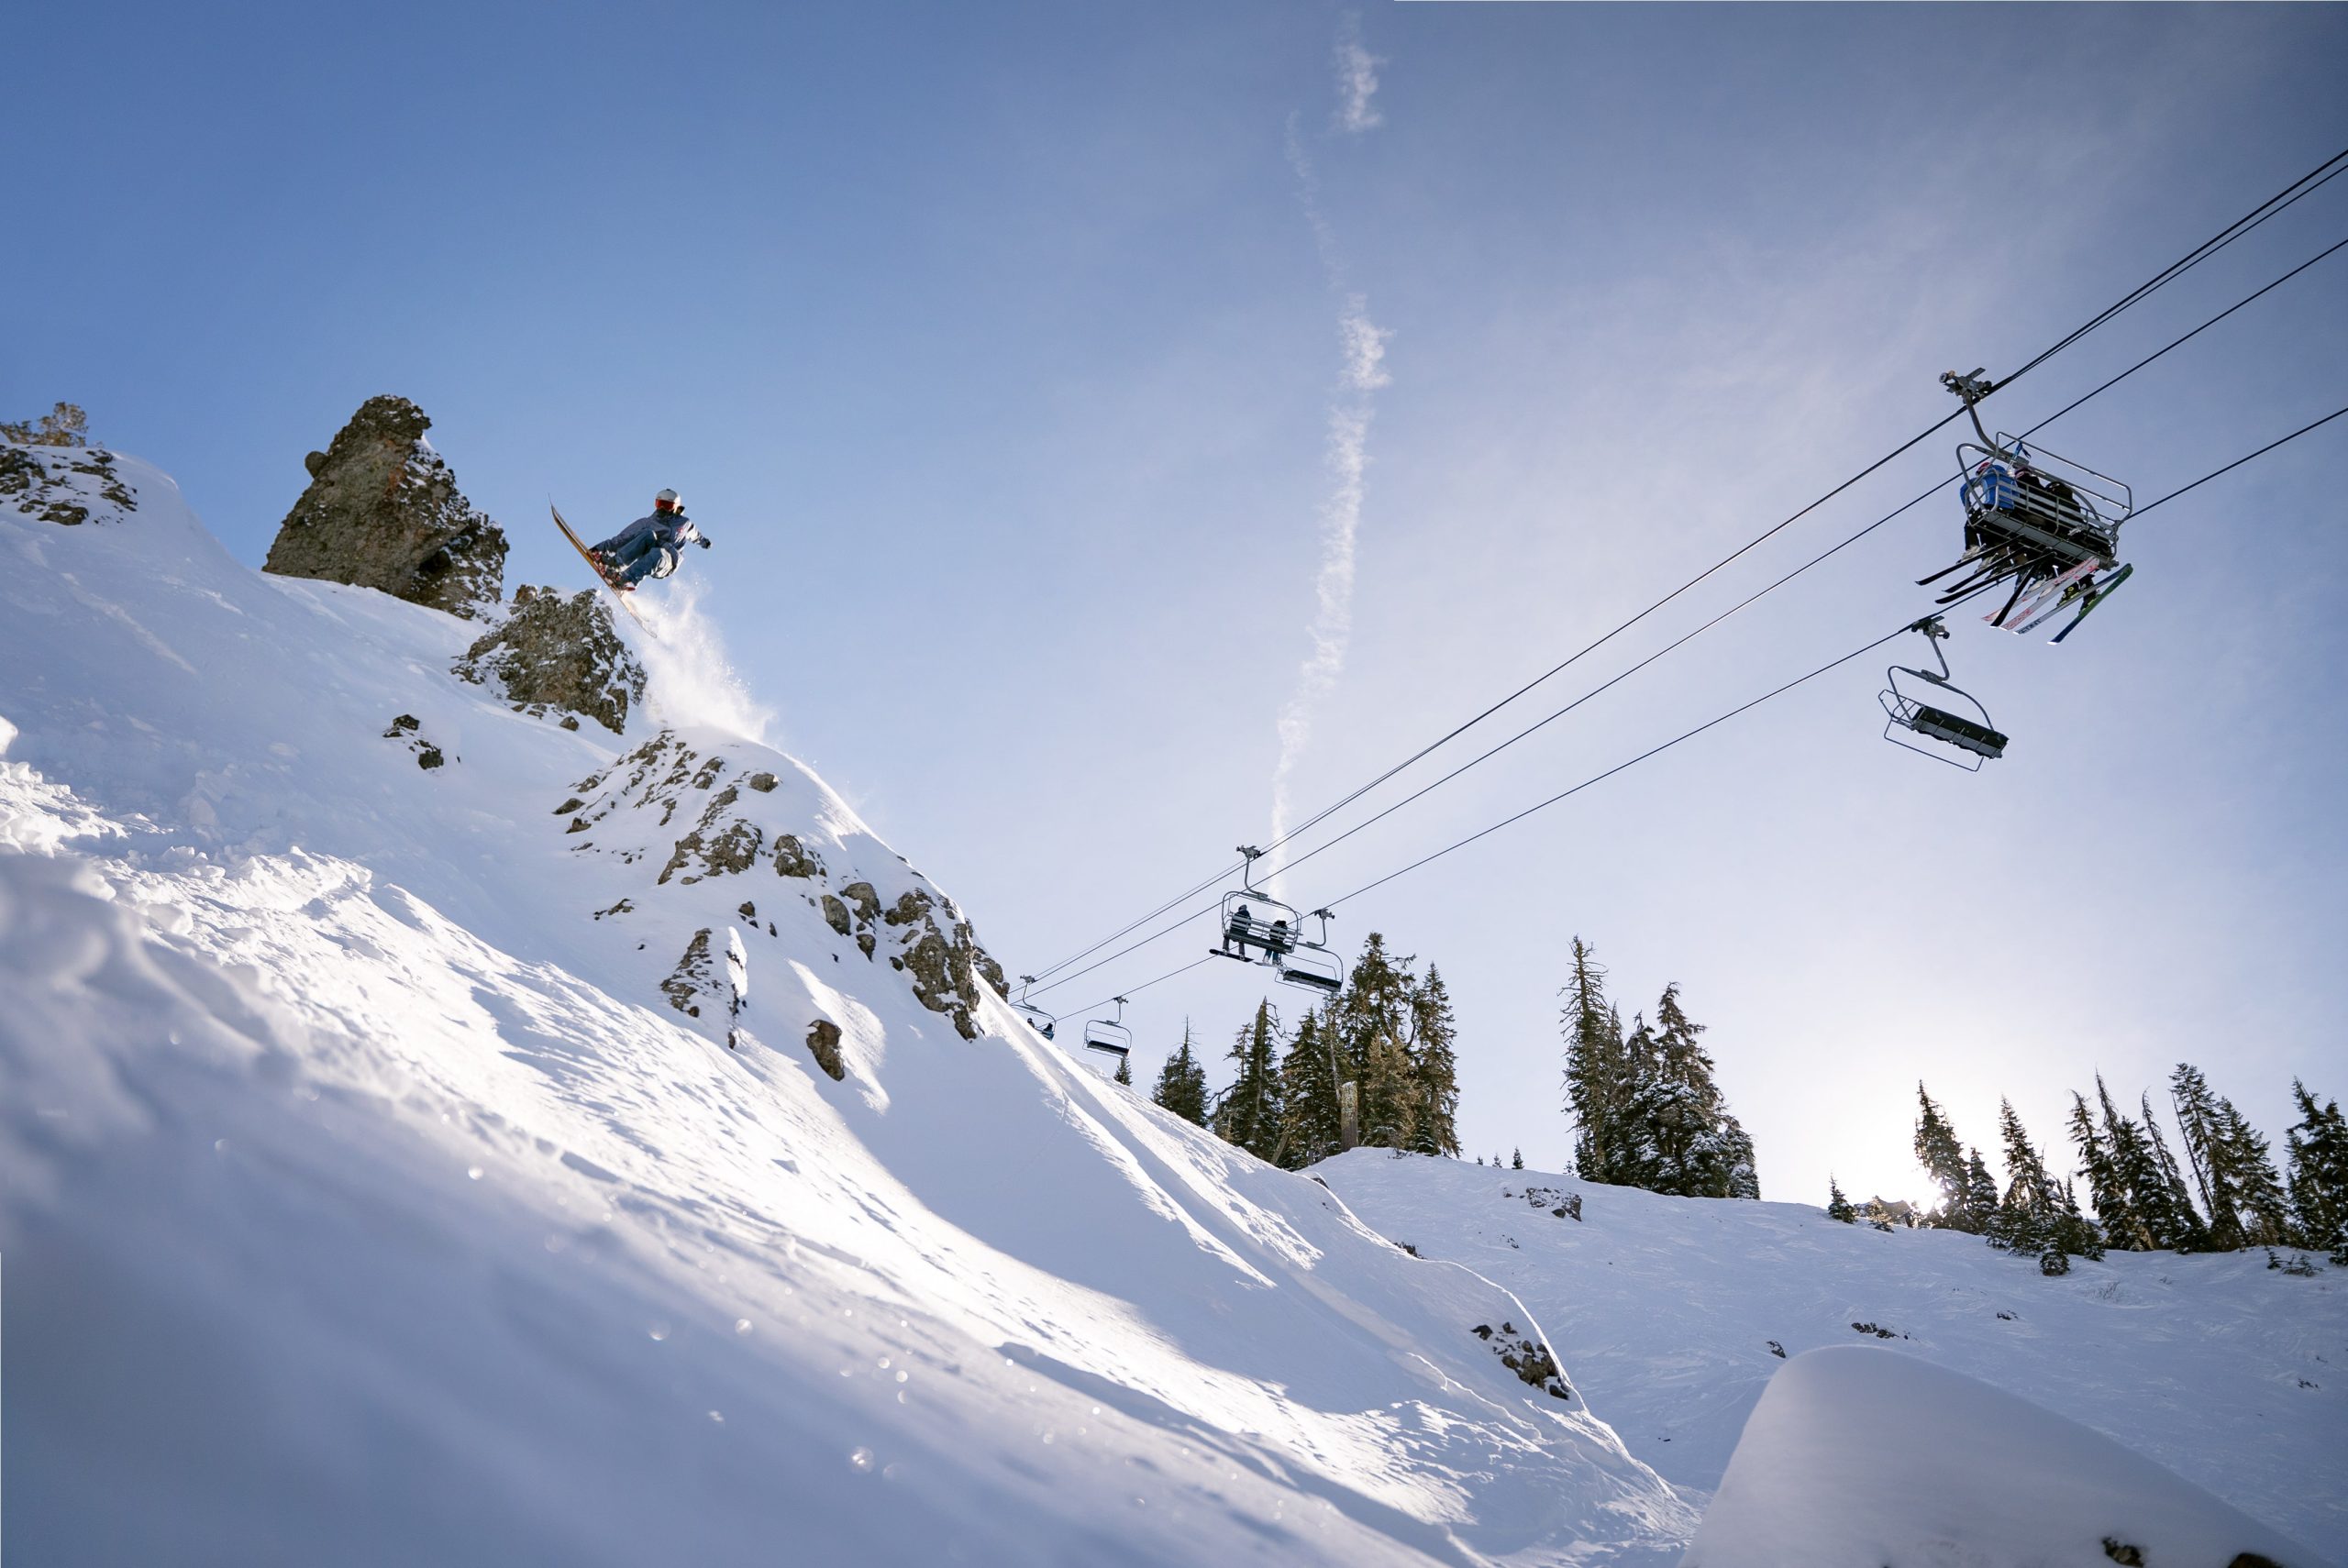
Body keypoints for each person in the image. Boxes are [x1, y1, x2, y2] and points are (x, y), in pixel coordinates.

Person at [592, 489, 711, 590]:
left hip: (668, 562)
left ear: (675, 507)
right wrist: (598, 549)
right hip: (649, 554)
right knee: (647, 534)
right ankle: (616, 563)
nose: (662, 508)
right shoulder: (647, 522)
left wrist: (704, 542)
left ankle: (627, 579)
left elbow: (696, 535)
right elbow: (622, 538)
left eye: (667, 506)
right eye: (660, 504)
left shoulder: (684, 523)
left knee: (658, 553)